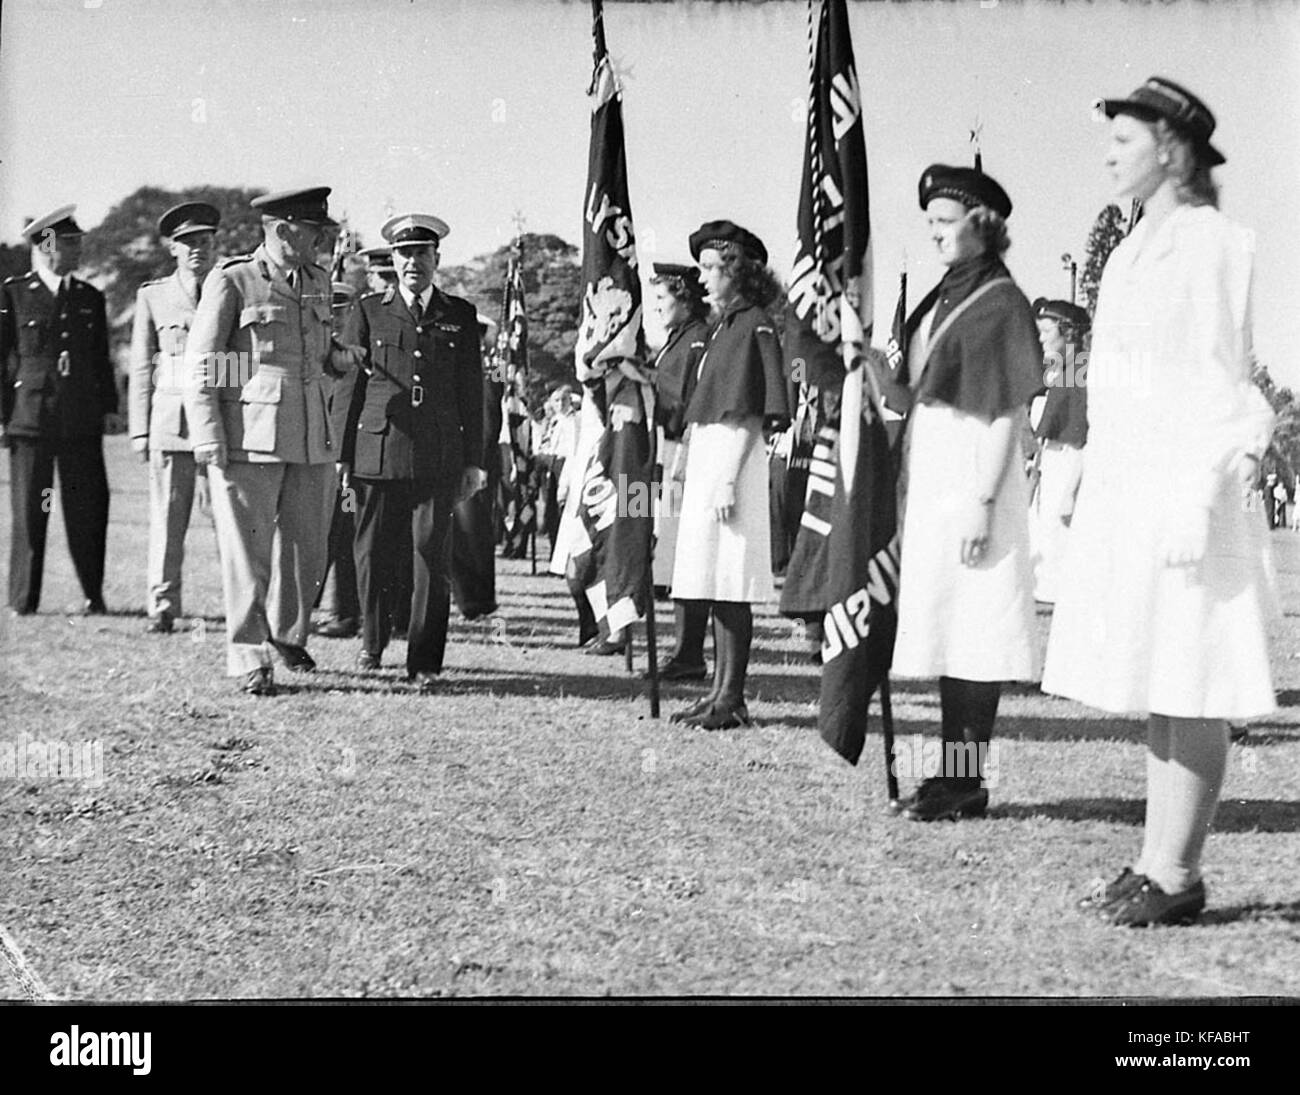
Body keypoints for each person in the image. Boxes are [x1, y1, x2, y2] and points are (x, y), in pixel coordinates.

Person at [1043, 78, 1276, 927]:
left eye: (1123, 138)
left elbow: (1224, 380)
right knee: (1161, 679)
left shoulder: (1212, 240)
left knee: (1195, 679)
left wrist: (1200, 490)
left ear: (1170, 147)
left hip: (1191, 493)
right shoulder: (1138, 244)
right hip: (1137, 488)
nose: (1108, 153)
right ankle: (1151, 860)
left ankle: (1178, 872)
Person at [884, 165, 1043, 821]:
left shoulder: (1003, 301)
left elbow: (1007, 410)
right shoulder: (937, 297)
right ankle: (951, 777)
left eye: (946, 223)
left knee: (977, 630)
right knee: (952, 627)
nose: (936, 234)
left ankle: (967, 782)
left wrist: (983, 495)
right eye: (931, 225)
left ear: (984, 225)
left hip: (978, 473)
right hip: (935, 472)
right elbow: (911, 388)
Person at [184, 186, 348, 695]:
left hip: (312, 436)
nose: (322, 239)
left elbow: (319, 350)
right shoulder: (234, 280)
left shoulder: (319, 281)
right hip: (250, 437)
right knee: (248, 554)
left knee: (307, 551)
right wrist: (209, 435)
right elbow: (208, 363)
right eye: (314, 231)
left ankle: (286, 633)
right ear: (282, 231)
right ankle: (249, 655)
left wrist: (338, 358)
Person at [338, 212, 486, 690]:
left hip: (437, 456)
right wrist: (343, 455)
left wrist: (475, 462)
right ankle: (372, 641)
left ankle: (424, 659)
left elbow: (472, 393)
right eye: (404, 254)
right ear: (394, 261)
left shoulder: (459, 315)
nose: (412, 263)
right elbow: (350, 389)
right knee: (373, 550)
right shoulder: (367, 310)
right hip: (377, 448)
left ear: (436, 259)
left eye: (421, 253)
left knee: (429, 553)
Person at [669, 221, 790, 729]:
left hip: (734, 457)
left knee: (733, 581)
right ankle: (718, 691)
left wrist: (726, 478)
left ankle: (732, 697)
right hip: (713, 452)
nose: (702, 279)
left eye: (710, 269)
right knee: (714, 579)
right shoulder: (724, 325)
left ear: (735, 271)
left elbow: (749, 412)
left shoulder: (753, 323)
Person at [1, 205, 120, 616]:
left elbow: (102, 360)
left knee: (87, 507)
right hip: (29, 418)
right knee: (31, 509)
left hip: (81, 419)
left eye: (78, 242)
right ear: (45, 245)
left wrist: (109, 408)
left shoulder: (90, 297)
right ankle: (23, 598)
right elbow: (4, 359)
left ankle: (93, 594)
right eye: (70, 243)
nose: (78, 249)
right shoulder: (14, 293)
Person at [129, 202, 221, 633]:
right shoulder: (153, 295)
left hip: (223, 424)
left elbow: (241, 358)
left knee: (230, 522)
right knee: (168, 519)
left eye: (204, 241)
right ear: (173, 248)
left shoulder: (231, 287)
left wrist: (200, 375)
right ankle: (163, 606)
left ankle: (242, 605)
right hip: (172, 424)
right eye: (187, 243)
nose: (197, 249)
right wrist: (140, 430)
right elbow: (142, 366)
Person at [646, 262, 711, 681]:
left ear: (684, 296)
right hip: (648, 456)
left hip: (676, 455)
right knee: (641, 537)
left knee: (675, 551)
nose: (657, 308)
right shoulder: (672, 341)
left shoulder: (699, 339)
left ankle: (688, 652)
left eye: (662, 299)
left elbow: (689, 401)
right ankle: (620, 627)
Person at [1028, 298, 1090, 604]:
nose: (1040, 339)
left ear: (1067, 333)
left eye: (1046, 332)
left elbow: (1080, 439)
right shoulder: (1060, 368)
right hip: (1052, 460)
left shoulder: (1079, 368)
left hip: (1068, 462)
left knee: (1060, 535)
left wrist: (1070, 491)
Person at [315, 280, 362, 639]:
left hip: (345, 467)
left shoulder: (357, 355)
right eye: (329, 310)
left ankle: (346, 613)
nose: (334, 318)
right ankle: (304, 607)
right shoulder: (309, 351)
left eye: (342, 310)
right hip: (308, 461)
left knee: (345, 534)